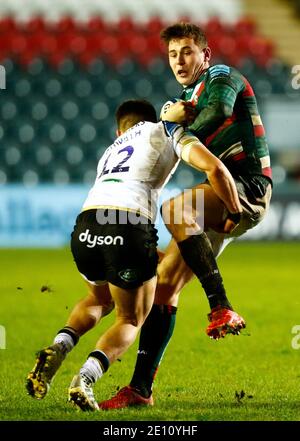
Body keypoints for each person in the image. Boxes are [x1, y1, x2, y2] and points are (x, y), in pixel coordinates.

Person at [25, 98, 243, 411]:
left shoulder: (110, 151)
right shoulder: (165, 130)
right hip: (129, 222)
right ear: (156, 117)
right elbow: (213, 167)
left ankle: (60, 344)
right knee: (131, 318)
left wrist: (145, 254)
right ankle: (84, 379)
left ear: (119, 129)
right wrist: (232, 213)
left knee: (99, 299)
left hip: (87, 224)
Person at [99, 22, 272, 410]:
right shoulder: (183, 99)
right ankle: (140, 390)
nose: (180, 60)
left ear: (204, 55)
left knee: (176, 208)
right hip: (220, 197)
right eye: (173, 54)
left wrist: (177, 121)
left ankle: (220, 305)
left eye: (188, 52)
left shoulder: (220, 76)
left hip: (248, 186)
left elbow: (218, 111)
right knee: (163, 287)